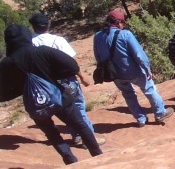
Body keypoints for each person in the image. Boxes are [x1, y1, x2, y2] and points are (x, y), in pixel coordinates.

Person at [1, 25, 102, 164]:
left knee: (52, 133)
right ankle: (98, 155)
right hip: (59, 96)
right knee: (80, 124)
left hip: (34, 104)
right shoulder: (42, 51)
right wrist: (52, 76)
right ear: (26, 36)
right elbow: (72, 66)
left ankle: (70, 159)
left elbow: (3, 92)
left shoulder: (6, 63)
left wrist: (23, 89)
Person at [29, 13, 106, 147]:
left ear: (33, 26)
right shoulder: (57, 40)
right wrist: (82, 77)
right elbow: (70, 62)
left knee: (66, 110)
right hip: (65, 80)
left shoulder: (30, 43)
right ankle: (89, 139)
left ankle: (77, 136)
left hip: (46, 83)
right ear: (48, 24)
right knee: (78, 107)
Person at [93, 9, 174, 127]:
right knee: (149, 89)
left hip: (114, 74)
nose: (123, 25)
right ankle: (160, 113)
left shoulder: (98, 36)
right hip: (132, 71)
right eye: (123, 22)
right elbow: (139, 54)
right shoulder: (125, 34)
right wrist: (147, 68)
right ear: (118, 22)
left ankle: (141, 119)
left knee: (128, 94)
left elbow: (98, 56)